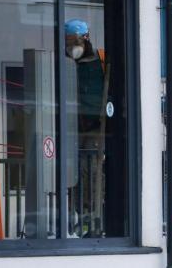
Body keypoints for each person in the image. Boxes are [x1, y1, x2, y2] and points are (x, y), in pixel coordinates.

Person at [64, 19, 108, 237]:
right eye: (68, 41)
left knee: (92, 171)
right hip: (73, 126)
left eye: (75, 40)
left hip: (96, 127)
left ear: (86, 38)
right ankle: (80, 217)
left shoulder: (101, 60)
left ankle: (94, 219)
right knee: (74, 172)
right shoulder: (66, 64)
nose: (71, 45)